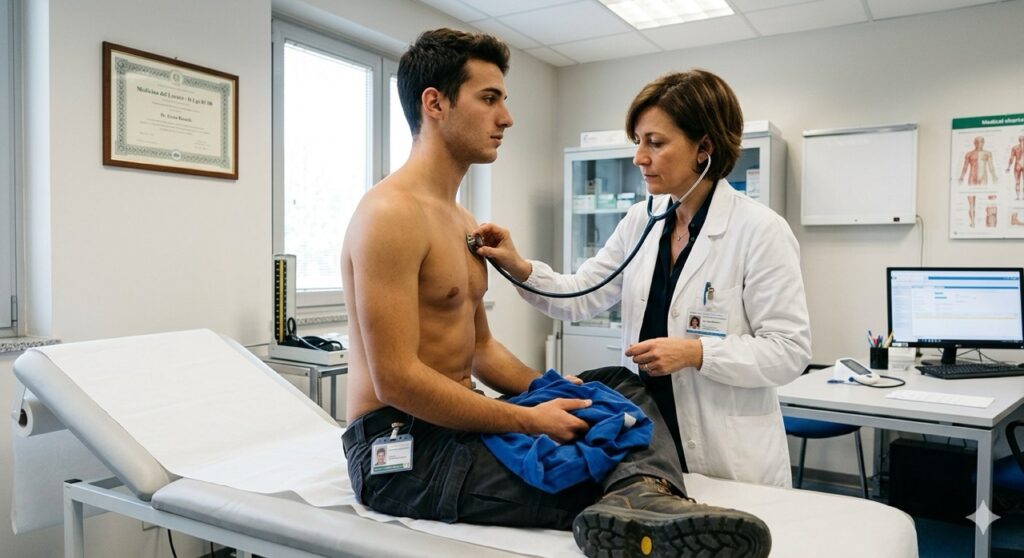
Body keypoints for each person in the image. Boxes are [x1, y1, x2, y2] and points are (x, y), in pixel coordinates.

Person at [342, 29, 771, 558]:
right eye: (489, 98)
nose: (507, 117)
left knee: (617, 384)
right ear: (435, 103)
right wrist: (527, 416)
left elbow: (480, 350)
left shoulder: (459, 220)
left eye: (504, 100)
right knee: (599, 475)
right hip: (401, 449)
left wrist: (555, 389)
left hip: (460, 420)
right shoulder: (390, 215)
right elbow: (396, 380)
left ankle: (642, 495)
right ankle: (643, 500)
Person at [473, 69, 812, 488]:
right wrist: (518, 266)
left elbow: (789, 351)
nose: (639, 158)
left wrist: (696, 353)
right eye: (638, 142)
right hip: (650, 438)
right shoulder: (642, 220)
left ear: (703, 147)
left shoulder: (759, 230)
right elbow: (581, 294)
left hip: (729, 453)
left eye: (655, 142)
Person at [1007, 135, 1023, 200]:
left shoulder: (1015, 147)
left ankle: (1018, 197)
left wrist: (1008, 167)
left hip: (1017, 165)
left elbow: (1011, 158)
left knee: (1017, 181)